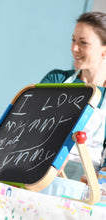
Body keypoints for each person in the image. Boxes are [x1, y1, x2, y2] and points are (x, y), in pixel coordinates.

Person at [40, 11, 106, 183]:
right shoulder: (57, 80)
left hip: (88, 184)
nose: (74, 48)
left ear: (104, 50)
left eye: (83, 43)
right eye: (73, 40)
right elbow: (32, 126)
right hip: (44, 172)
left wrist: (100, 177)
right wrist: (52, 151)